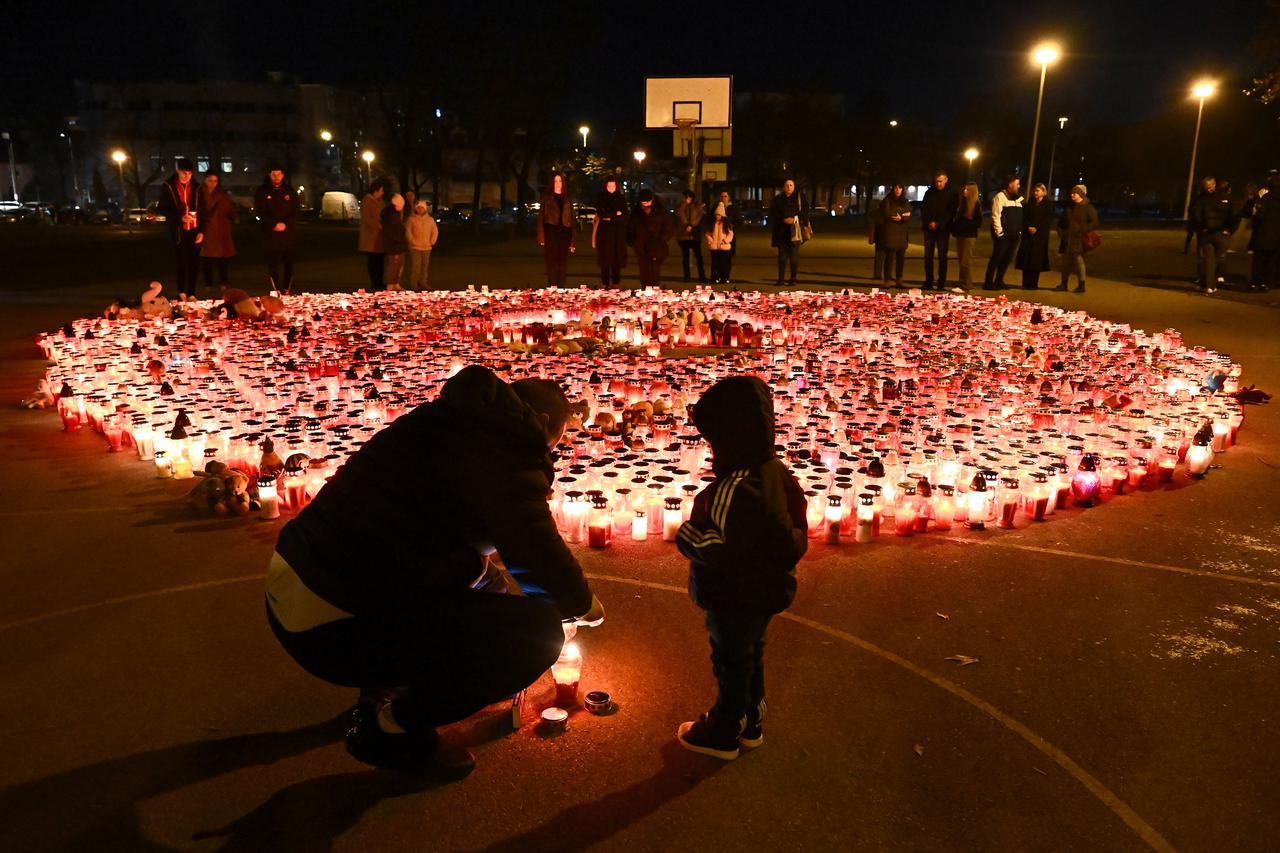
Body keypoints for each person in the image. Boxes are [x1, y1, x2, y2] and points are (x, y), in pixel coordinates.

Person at [267, 365, 604, 777]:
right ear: (547, 422)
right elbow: (533, 548)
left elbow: (433, 535)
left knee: (479, 585)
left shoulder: (442, 420)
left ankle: (389, 682)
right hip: (332, 622)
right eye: (560, 439)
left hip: (296, 584)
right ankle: (389, 729)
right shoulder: (510, 451)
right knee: (539, 635)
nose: (553, 450)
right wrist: (582, 604)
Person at [674, 376, 807, 760]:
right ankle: (752, 720)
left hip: (732, 593)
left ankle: (723, 729)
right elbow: (795, 524)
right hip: (765, 590)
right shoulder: (774, 473)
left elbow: (721, 547)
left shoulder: (735, 487)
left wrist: (687, 535)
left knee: (730, 658)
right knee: (751, 652)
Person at [253, 164, 301, 292]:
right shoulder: (262, 191)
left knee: (289, 264)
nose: (276, 177)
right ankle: (277, 290)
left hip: (288, 234)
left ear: (283, 175)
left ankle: (286, 289)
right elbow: (260, 212)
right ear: (269, 175)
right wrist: (273, 224)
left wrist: (286, 223)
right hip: (271, 235)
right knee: (273, 264)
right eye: (273, 174)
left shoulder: (290, 191)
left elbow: (296, 211)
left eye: (278, 174)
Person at [158, 158, 201, 295]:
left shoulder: (197, 187)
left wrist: (202, 231)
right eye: (184, 173)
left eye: (189, 173)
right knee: (181, 262)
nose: (187, 176)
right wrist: (179, 217)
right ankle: (182, 291)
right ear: (178, 171)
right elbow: (163, 208)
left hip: (193, 229)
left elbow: (203, 210)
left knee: (194, 263)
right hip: (177, 230)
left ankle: (192, 293)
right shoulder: (168, 186)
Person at [1189, 175, 1235, 293]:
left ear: (1214, 185)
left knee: (1211, 260)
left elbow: (1195, 216)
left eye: (1210, 186)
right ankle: (1210, 284)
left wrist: (1200, 229)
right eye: (1207, 187)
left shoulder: (1201, 199)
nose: (1209, 189)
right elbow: (1232, 216)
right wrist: (1229, 229)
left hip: (1211, 233)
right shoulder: (1223, 198)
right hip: (1215, 233)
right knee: (1213, 259)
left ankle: (1208, 284)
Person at [1054, 184, 1098, 294]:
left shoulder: (1088, 207)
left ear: (1081, 195)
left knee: (1079, 261)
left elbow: (1094, 222)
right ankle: (1064, 284)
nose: (1072, 195)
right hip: (1067, 238)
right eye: (1072, 193)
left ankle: (1081, 284)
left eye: (1075, 193)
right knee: (1065, 262)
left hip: (1078, 239)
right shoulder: (1069, 207)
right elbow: (1061, 221)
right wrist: (1061, 231)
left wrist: (1083, 230)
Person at [196, 170, 235, 292]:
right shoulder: (199, 193)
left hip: (221, 229)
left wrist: (231, 218)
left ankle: (223, 282)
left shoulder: (222, 193)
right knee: (207, 258)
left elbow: (229, 209)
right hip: (206, 229)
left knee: (223, 258)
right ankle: (208, 283)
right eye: (210, 180)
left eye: (215, 181)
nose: (212, 183)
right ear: (205, 180)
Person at [920, 170, 959, 290]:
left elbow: (951, 211)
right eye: (936, 181)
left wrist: (939, 223)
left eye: (941, 181)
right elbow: (924, 209)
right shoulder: (929, 193)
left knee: (942, 257)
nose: (938, 184)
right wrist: (928, 222)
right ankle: (929, 281)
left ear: (946, 180)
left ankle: (941, 282)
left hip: (943, 229)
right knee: (928, 256)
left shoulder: (952, 193)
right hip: (929, 229)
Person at [627, 188, 674, 287]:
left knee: (654, 271)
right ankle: (645, 290)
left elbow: (668, 228)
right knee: (644, 271)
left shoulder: (660, 211)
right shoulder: (636, 213)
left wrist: (661, 240)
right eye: (644, 203)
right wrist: (632, 241)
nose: (646, 204)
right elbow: (630, 229)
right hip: (640, 246)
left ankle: (654, 290)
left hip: (656, 246)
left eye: (648, 202)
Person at [983, 175, 1023, 290]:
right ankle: (988, 282)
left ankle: (999, 280)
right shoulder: (1000, 197)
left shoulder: (1018, 199)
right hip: (1003, 234)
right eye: (1017, 184)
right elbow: (996, 215)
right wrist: (999, 232)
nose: (1018, 186)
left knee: (1007, 258)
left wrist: (1019, 231)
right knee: (997, 257)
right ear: (1010, 184)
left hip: (1015, 234)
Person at [536, 171, 576, 287]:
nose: (558, 184)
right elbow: (541, 218)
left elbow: (572, 220)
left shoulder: (567, 199)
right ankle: (553, 287)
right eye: (555, 181)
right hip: (551, 232)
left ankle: (561, 287)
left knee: (562, 263)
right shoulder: (547, 198)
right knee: (552, 262)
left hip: (564, 233)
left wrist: (572, 241)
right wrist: (541, 237)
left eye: (560, 181)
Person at [769, 179, 809, 287]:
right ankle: (781, 279)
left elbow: (805, 212)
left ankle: (793, 279)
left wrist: (795, 219)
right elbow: (773, 213)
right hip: (781, 232)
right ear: (783, 186)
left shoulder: (800, 198)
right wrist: (783, 219)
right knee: (782, 257)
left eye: (791, 185)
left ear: (794, 186)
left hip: (795, 231)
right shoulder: (778, 199)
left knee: (794, 257)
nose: (789, 187)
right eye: (787, 185)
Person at [1015, 182, 1053, 289]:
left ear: (1043, 192)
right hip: (1028, 235)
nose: (1035, 193)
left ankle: (1033, 283)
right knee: (1026, 258)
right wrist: (1028, 227)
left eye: (1038, 191)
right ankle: (1025, 283)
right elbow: (1025, 217)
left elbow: (1047, 220)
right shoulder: (1030, 203)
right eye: (1034, 191)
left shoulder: (1048, 204)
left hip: (1040, 236)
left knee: (1036, 260)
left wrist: (1037, 228)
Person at [592, 177, 628, 286]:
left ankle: (616, 284)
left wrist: (610, 216)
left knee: (616, 261)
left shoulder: (621, 198)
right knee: (605, 261)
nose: (611, 188)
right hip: (604, 234)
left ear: (616, 186)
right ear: (605, 186)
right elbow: (602, 215)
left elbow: (624, 215)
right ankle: (605, 284)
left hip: (618, 234)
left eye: (613, 186)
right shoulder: (601, 197)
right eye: (609, 186)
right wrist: (616, 214)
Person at [1249, 173, 1280, 291]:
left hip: (1264, 234)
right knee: (1272, 262)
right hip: (1277, 236)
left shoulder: (1267, 199)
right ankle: (1267, 283)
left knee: (1259, 260)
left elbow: (1259, 216)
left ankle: (1256, 283)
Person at [878, 183, 912, 287]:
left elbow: (909, 212)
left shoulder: (905, 201)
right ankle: (887, 279)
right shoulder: (887, 200)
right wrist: (901, 214)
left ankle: (899, 279)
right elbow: (887, 213)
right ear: (892, 189)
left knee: (901, 257)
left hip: (902, 233)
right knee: (890, 257)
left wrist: (901, 217)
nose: (898, 190)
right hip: (890, 232)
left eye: (900, 188)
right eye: (896, 188)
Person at [950, 182, 982, 291]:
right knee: (961, 260)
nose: (964, 191)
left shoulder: (975, 204)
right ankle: (962, 283)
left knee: (965, 260)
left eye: (967, 190)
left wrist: (964, 224)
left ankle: (966, 285)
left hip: (968, 236)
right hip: (960, 235)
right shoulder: (963, 204)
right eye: (964, 189)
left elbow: (978, 222)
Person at [405, 200, 439, 291]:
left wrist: (432, 241)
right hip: (415, 247)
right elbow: (408, 232)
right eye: (418, 208)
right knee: (416, 267)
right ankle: (414, 285)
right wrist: (412, 241)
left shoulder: (430, 220)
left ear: (425, 209)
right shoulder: (411, 219)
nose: (420, 210)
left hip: (426, 247)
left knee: (424, 266)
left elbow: (434, 231)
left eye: (422, 208)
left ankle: (423, 282)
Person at [359, 181, 386, 290]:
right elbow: (366, 219)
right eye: (381, 190)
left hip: (379, 237)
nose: (383, 193)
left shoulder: (380, 202)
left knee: (380, 260)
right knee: (373, 261)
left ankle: (379, 281)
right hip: (371, 237)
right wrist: (378, 225)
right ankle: (375, 282)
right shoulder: (367, 201)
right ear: (376, 191)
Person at [676, 189, 707, 283]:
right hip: (683, 235)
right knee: (685, 257)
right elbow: (679, 215)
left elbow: (699, 217)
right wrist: (686, 224)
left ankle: (702, 276)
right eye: (685, 197)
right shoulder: (680, 206)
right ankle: (687, 276)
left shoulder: (697, 206)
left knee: (699, 257)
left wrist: (691, 225)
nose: (686, 199)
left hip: (695, 235)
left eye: (688, 197)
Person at [380, 193, 409, 291]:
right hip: (394, 244)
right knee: (394, 265)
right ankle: (391, 284)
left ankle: (395, 283)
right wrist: (400, 237)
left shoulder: (393, 213)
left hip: (397, 243)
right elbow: (393, 231)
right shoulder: (391, 215)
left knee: (398, 265)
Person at [705, 202, 735, 284]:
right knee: (714, 264)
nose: (717, 217)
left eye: (719, 215)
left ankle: (724, 277)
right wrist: (710, 241)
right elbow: (708, 234)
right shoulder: (712, 224)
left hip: (723, 247)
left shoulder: (726, 224)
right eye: (716, 215)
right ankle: (714, 277)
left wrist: (725, 241)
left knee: (723, 264)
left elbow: (730, 234)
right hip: (714, 247)